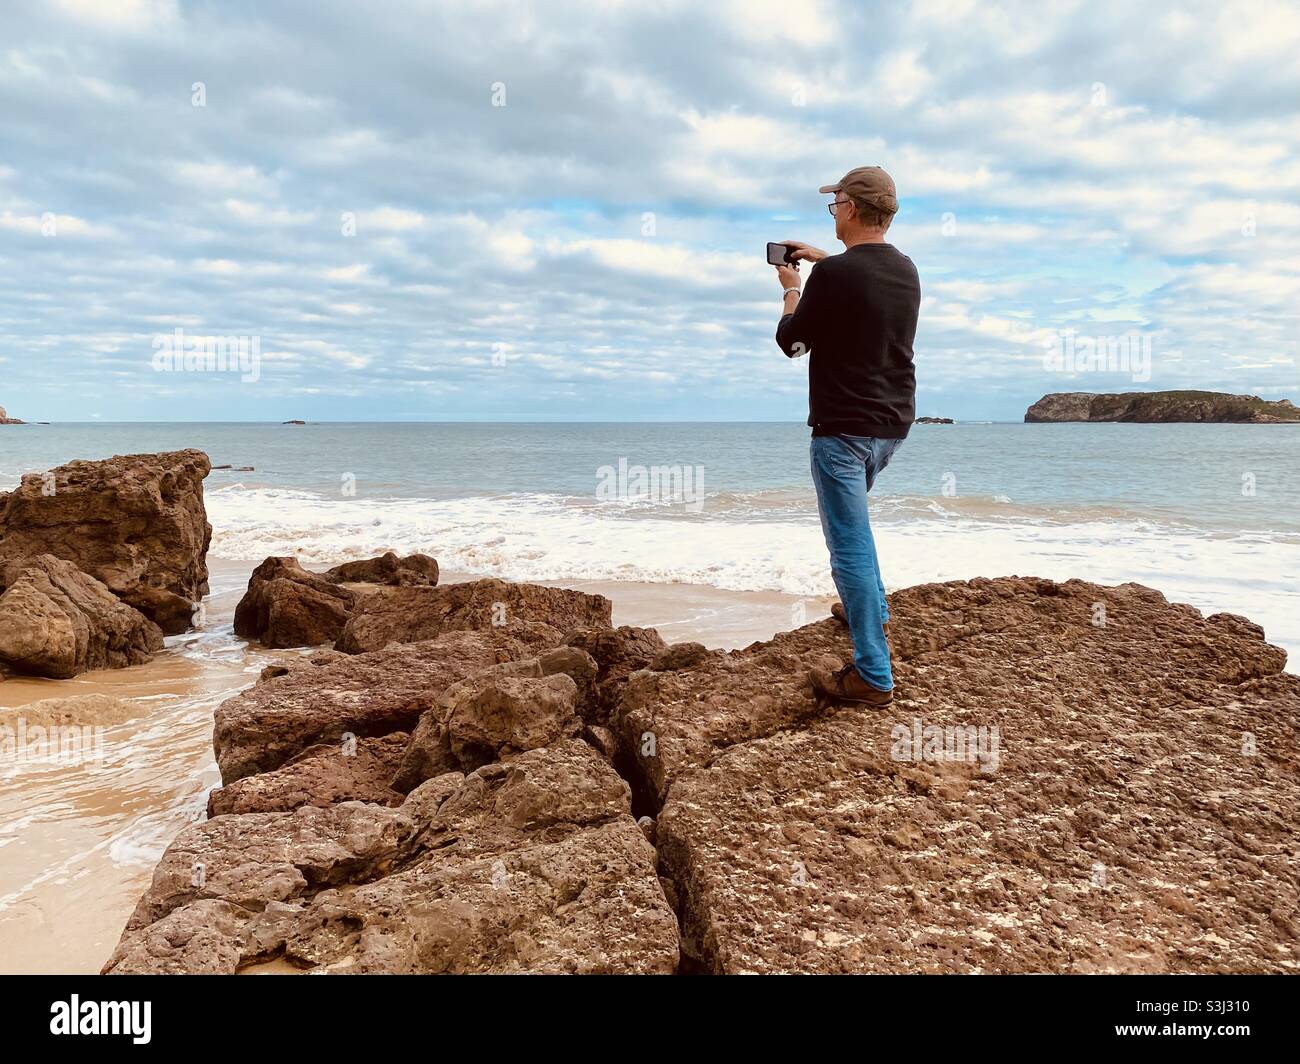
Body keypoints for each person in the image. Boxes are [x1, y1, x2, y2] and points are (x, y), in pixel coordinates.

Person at [774, 166, 919, 707]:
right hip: (892, 425)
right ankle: (871, 609)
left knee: (849, 547)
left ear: (852, 208)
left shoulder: (833, 278)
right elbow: (864, 284)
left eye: (834, 202)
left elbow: (793, 344)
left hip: (842, 429)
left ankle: (873, 676)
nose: (832, 211)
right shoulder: (905, 270)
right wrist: (824, 261)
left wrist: (793, 290)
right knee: (858, 530)